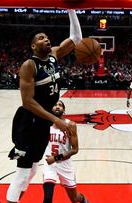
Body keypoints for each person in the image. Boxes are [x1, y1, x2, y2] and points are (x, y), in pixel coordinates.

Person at [6, 10, 82, 203]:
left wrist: (70, 9)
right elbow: (28, 102)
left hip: (43, 122)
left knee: (31, 169)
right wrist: (57, 119)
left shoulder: (54, 55)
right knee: (24, 170)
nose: (46, 39)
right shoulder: (29, 65)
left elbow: (76, 38)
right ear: (33, 46)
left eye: (47, 37)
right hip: (29, 119)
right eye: (41, 38)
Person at [42, 100, 89, 203]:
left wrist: (55, 158)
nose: (57, 107)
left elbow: (75, 149)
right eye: (55, 105)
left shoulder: (70, 125)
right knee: (47, 198)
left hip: (64, 164)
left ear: (64, 110)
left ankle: (84, 200)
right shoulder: (45, 125)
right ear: (51, 109)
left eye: (60, 105)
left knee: (75, 198)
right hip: (49, 164)